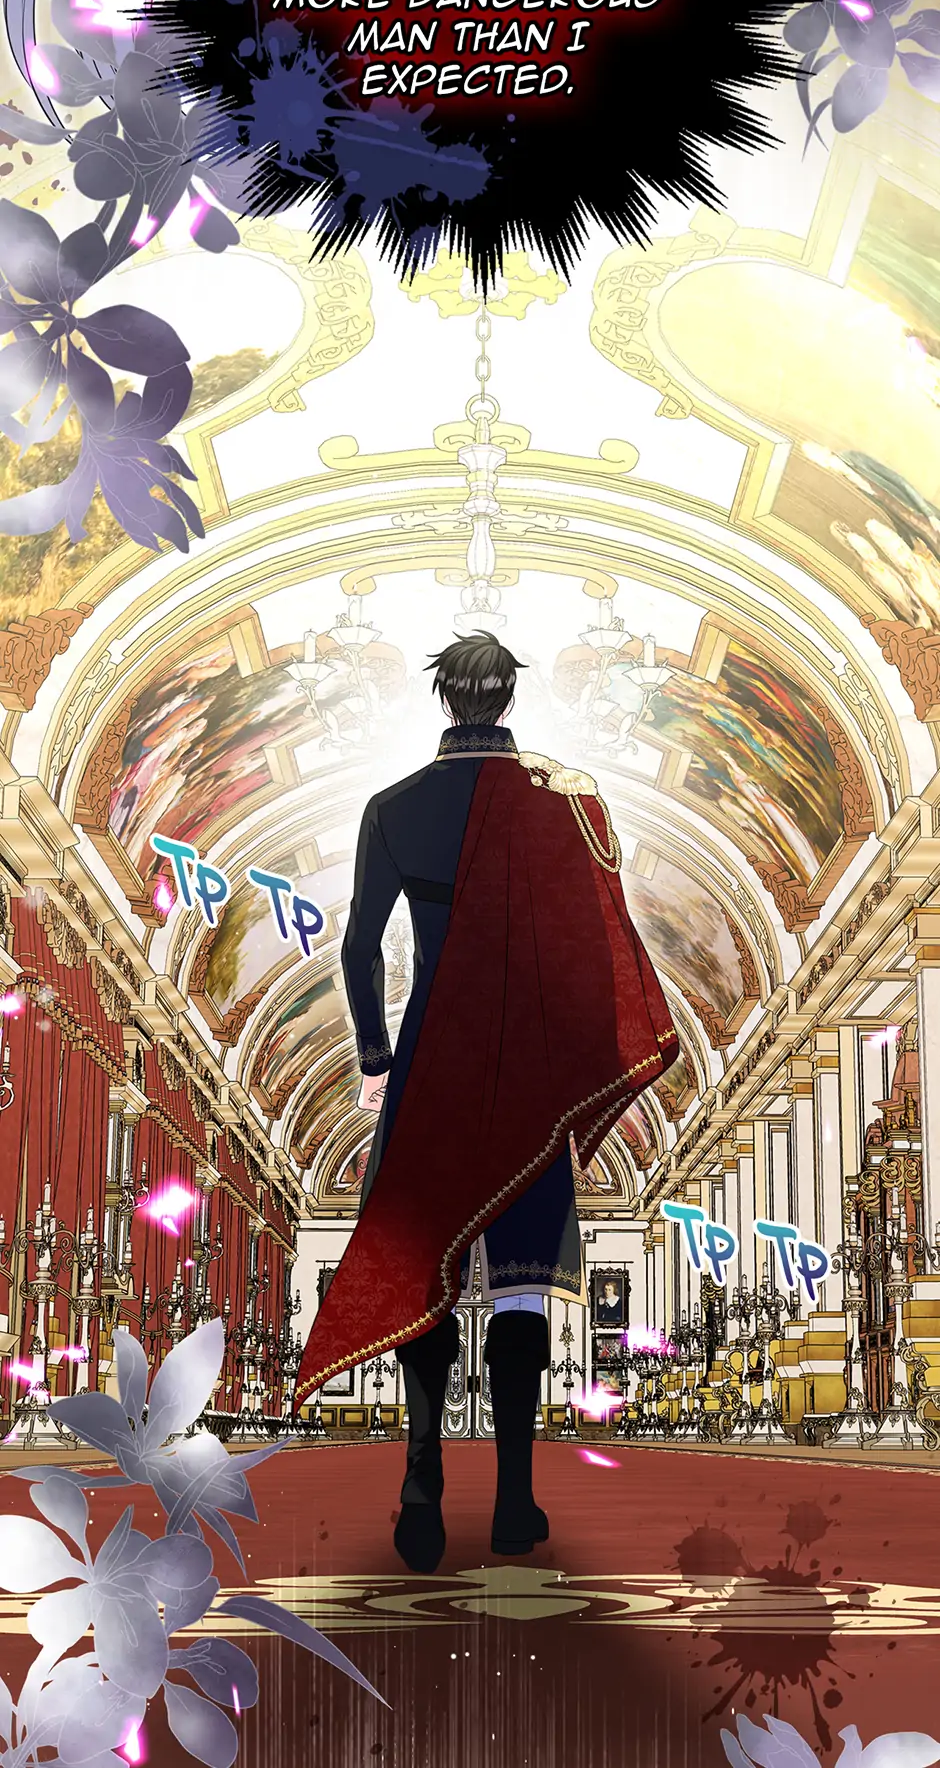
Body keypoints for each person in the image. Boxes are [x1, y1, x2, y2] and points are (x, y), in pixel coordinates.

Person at [294, 631, 678, 1572]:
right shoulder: (566, 805)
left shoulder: (393, 808)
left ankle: (421, 1493)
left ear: (446, 700)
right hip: (531, 1076)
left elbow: (358, 945)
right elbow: (597, 953)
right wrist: (577, 1066)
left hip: (433, 1061)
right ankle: (513, 1502)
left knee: (422, 1271)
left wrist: (377, 1056)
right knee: (521, 1286)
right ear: (507, 699)